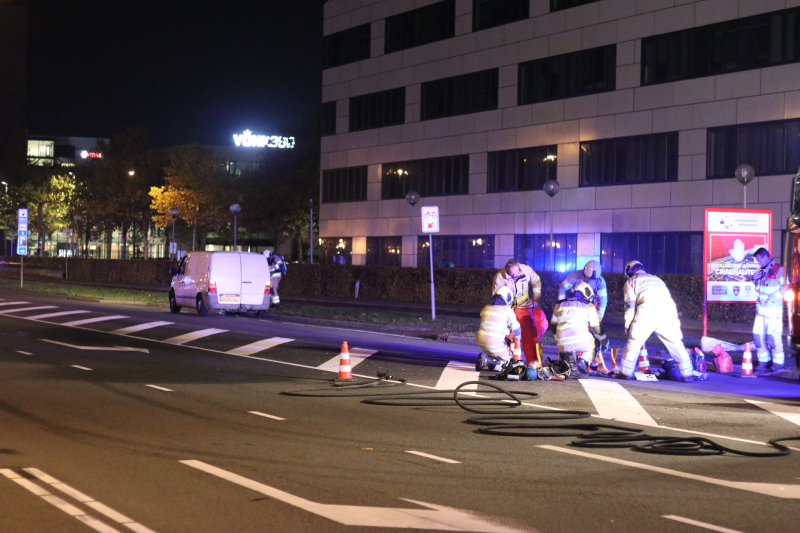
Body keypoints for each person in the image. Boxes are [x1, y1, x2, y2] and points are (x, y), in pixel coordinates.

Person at [618, 260, 694, 381]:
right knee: (675, 342)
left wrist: (628, 325)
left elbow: (629, 306)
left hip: (647, 311)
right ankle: (688, 374)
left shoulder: (631, 282)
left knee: (634, 341)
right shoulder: (657, 279)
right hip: (667, 311)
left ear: (630, 271)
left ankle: (625, 372)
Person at [492, 258, 548, 365]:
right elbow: (496, 299)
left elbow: (536, 281)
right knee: (508, 336)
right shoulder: (499, 277)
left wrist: (536, 299)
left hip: (523, 307)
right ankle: (508, 361)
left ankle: (532, 362)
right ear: (507, 269)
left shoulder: (526, 270)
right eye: (511, 274)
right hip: (508, 308)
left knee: (528, 335)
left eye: (516, 273)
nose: (514, 277)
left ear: (519, 268)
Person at [549, 282, 608, 379]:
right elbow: (597, 329)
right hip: (580, 340)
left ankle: (569, 365)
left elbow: (553, 326)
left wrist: (558, 341)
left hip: (562, 343)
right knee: (596, 344)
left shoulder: (559, 304)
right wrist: (605, 342)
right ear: (586, 293)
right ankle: (582, 362)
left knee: (568, 348)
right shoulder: (589, 305)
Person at [752, 247, 786, 374]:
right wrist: (754, 279)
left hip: (773, 311)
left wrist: (770, 299)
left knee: (772, 338)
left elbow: (785, 288)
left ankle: (778, 362)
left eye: (759, 259)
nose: (758, 262)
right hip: (760, 311)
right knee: (757, 336)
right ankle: (764, 361)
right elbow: (759, 287)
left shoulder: (779, 269)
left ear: (766, 257)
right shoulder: (763, 270)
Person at [475, 286, 522, 372]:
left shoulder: (486, 307)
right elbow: (517, 329)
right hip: (493, 343)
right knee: (508, 362)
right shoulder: (507, 310)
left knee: (497, 358)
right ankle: (487, 361)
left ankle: (490, 361)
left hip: (480, 340)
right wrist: (517, 340)